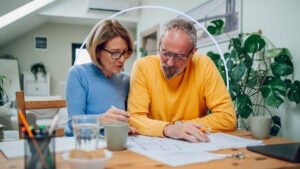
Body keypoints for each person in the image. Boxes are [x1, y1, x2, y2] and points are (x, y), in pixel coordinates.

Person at [128, 18, 237, 143]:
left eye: (179, 56)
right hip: (154, 143)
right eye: (165, 53)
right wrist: (169, 129)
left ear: (192, 53)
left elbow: (227, 117)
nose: (169, 63)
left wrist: (180, 126)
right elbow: (134, 118)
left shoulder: (204, 65)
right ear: (159, 45)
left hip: (192, 144)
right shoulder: (143, 67)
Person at [65, 19, 137, 136]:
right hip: (83, 143)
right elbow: (73, 124)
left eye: (125, 52)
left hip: (113, 142)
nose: (122, 59)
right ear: (97, 51)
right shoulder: (78, 74)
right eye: (115, 53)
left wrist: (128, 126)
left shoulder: (126, 81)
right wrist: (101, 120)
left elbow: (127, 119)